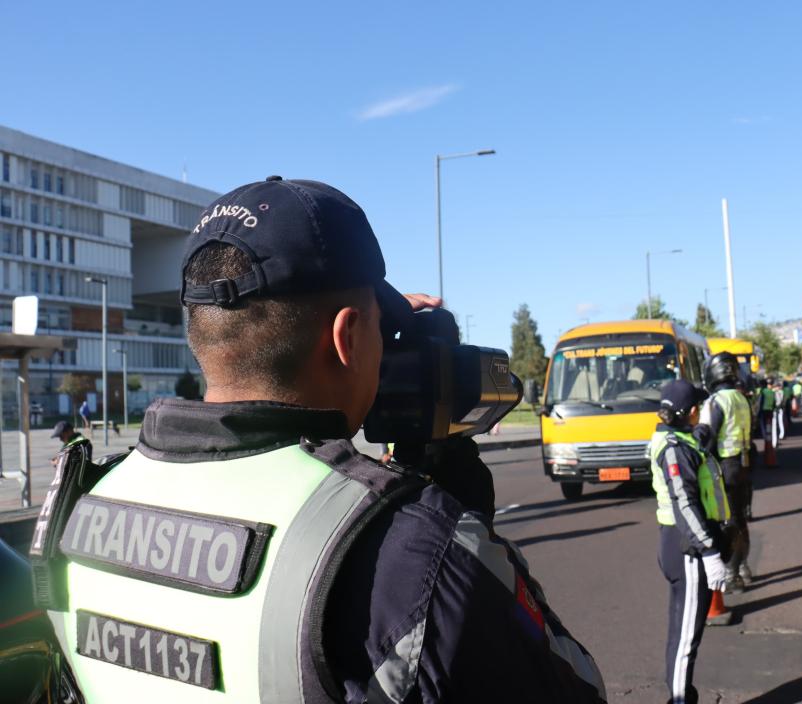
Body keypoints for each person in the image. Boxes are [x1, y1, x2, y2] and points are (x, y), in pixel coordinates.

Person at [49, 178, 605, 703]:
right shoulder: (408, 547)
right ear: (347, 338)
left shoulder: (88, 502)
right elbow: (576, 688)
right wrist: (461, 523)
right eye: (378, 330)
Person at [650, 380, 730, 704]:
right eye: (698, 407)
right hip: (688, 547)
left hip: (680, 543)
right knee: (686, 640)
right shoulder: (675, 449)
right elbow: (685, 504)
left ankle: (683, 697)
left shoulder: (680, 439)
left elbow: (703, 440)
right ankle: (680, 700)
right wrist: (709, 550)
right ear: (689, 412)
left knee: (681, 634)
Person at [698, 352, 753, 592]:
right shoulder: (742, 399)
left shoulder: (715, 401)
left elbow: (707, 437)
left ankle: (732, 573)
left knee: (727, 521)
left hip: (724, 467)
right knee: (740, 518)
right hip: (744, 464)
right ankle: (742, 568)